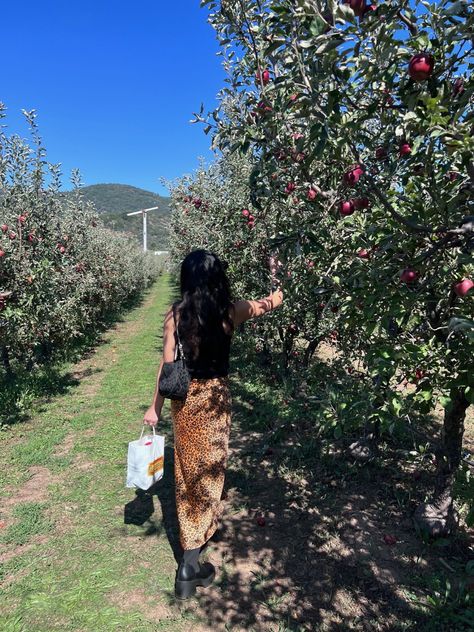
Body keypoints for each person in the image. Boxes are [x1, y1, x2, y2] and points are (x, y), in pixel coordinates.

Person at [143, 249, 283, 599]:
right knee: (211, 472)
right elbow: (272, 302)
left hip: (185, 401)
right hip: (215, 399)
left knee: (189, 473)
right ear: (217, 277)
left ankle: (193, 546)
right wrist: (277, 273)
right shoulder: (230, 311)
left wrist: (154, 408)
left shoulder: (175, 315)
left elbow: (166, 367)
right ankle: (190, 563)